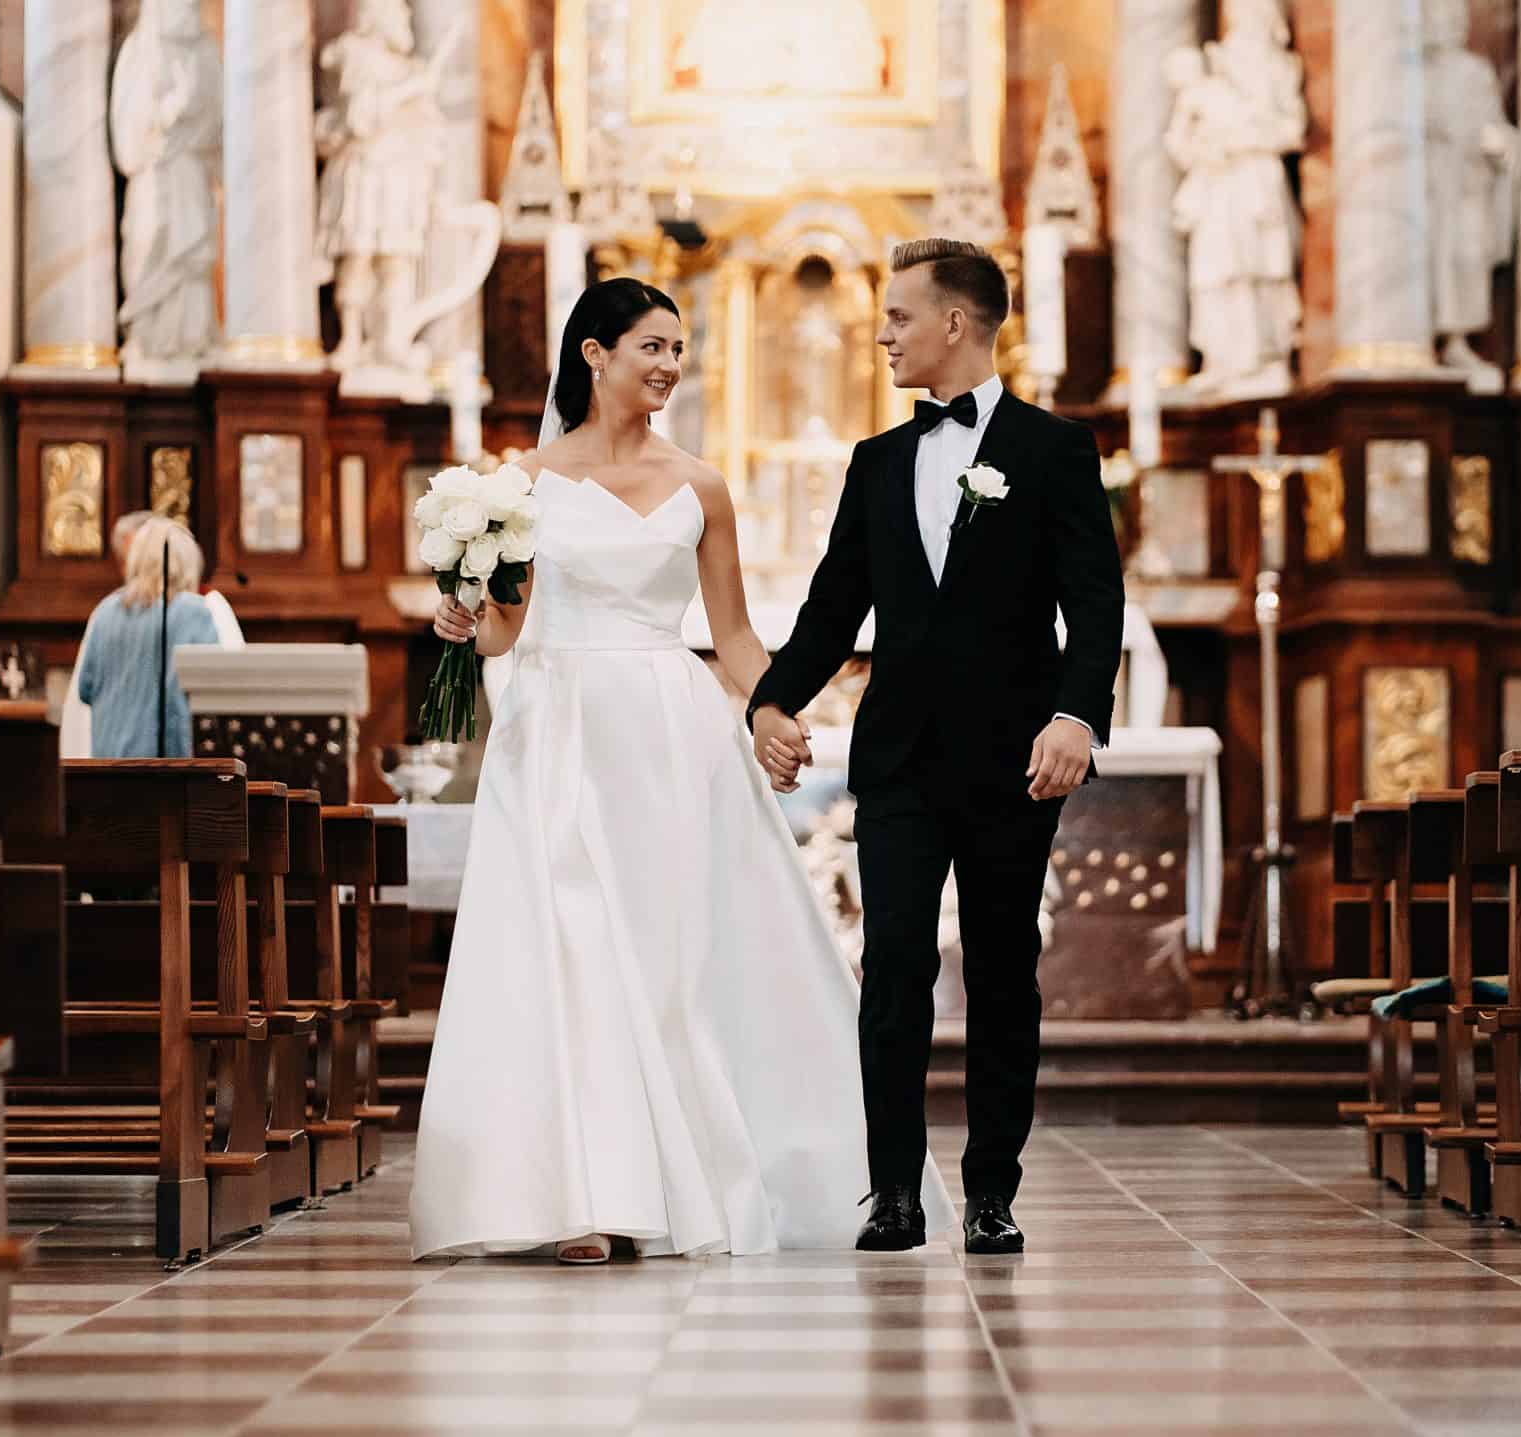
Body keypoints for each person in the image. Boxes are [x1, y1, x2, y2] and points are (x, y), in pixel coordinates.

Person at [408, 278, 951, 1264]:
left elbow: (734, 635)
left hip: (665, 731)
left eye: (677, 350)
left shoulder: (700, 485)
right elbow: (500, 635)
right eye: (651, 347)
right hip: (554, 729)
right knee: (565, 950)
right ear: (593, 353)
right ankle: (580, 1197)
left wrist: (773, 711)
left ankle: (668, 1184)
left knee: (662, 963)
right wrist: (461, 618)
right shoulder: (515, 485)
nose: (667, 367)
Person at [749, 238, 1124, 1256]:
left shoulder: (1054, 451)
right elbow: (832, 610)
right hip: (902, 759)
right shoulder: (878, 464)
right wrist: (770, 702)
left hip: (1017, 756)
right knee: (894, 967)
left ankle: (993, 1188)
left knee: (1006, 971)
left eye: (899, 317)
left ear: (955, 323)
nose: (882, 335)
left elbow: (1095, 605)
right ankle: (894, 1191)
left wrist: (1076, 716)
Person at [73, 514, 220, 760]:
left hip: (104, 769)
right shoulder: (192, 612)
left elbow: (85, 688)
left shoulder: (105, 611)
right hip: (162, 773)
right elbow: (211, 693)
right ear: (187, 564)